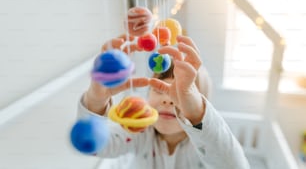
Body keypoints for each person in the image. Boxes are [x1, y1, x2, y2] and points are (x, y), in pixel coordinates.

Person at [77, 34, 250, 169]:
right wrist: (96, 99)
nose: (168, 100)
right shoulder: (138, 133)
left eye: (181, 96)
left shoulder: (204, 146)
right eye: (159, 90)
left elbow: (235, 165)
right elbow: (95, 145)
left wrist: (196, 112)